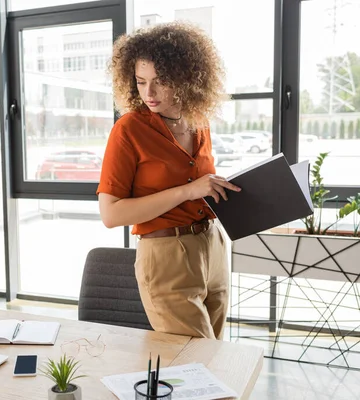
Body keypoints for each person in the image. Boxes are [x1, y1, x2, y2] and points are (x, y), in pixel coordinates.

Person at [97, 21, 240, 340]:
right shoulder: (129, 130)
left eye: (160, 82)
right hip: (165, 254)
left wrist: (214, 187)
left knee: (213, 355)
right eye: (140, 81)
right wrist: (188, 190)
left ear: (185, 78)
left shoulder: (199, 123)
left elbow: (200, 185)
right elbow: (111, 214)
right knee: (195, 357)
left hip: (213, 245)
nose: (148, 93)